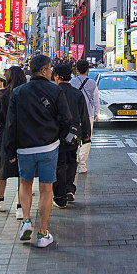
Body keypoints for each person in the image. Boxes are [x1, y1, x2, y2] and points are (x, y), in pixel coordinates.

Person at [4, 54, 71, 247]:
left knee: (25, 184)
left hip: (24, 148)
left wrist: (9, 151)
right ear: (43, 70)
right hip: (48, 146)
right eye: (50, 69)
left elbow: (11, 124)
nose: (51, 72)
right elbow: (66, 119)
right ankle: (42, 234)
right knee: (46, 189)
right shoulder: (55, 90)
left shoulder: (18, 92)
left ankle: (26, 220)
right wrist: (58, 137)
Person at [53, 63, 91, 208]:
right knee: (71, 161)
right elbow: (84, 115)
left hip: (56, 134)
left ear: (57, 76)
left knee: (59, 164)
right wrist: (87, 134)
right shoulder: (77, 93)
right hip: (74, 134)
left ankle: (60, 196)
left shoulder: (54, 91)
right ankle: (69, 188)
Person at [0, 66, 27, 218]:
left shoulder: (0, 95)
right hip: (23, 136)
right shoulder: (26, 95)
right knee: (21, 172)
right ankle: (20, 206)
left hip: (5, 135)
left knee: (2, 168)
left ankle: (1, 200)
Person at [71, 59, 100, 173]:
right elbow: (96, 99)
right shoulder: (92, 83)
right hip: (88, 115)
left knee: (74, 137)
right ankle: (82, 165)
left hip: (74, 115)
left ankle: (75, 159)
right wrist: (97, 112)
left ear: (77, 69)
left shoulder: (72, 82)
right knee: (86, 139)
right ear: (88, 69)